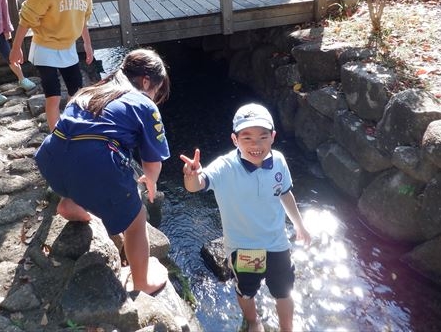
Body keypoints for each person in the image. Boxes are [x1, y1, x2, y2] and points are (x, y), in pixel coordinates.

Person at [34, 48, 171, 295]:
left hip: (50, 159)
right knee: (137, 220)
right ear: (147, 81)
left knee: (79, 165)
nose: (155, 96)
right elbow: (153, 160)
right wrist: (149, 181)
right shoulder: (144, 104)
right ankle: (142, 282)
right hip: (94, 166)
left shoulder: (91, 91)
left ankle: (69, 203)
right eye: (156, 90)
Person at [180, 103, 311, 332]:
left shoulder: (278, 160)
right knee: (246, 290)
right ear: (235, 140)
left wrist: (300, 225)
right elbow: (197, 185)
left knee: (284, 290)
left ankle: (286, 328)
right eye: (247, 137)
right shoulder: (225, 166)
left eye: (262, 137)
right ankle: (253, 321)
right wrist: (192, 175)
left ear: (273, 137)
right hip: (244, 248)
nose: (255, 145)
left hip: (277, 243)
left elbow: (285, 193)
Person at [9, 0, 105, 130]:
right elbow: (26, 18)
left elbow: (82, 20)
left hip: (68, 47)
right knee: (52, 96)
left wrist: (87, 44)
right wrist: (15, 48)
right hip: (45, 46)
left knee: (76, 92)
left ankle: (70, 127)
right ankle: (55, 135)